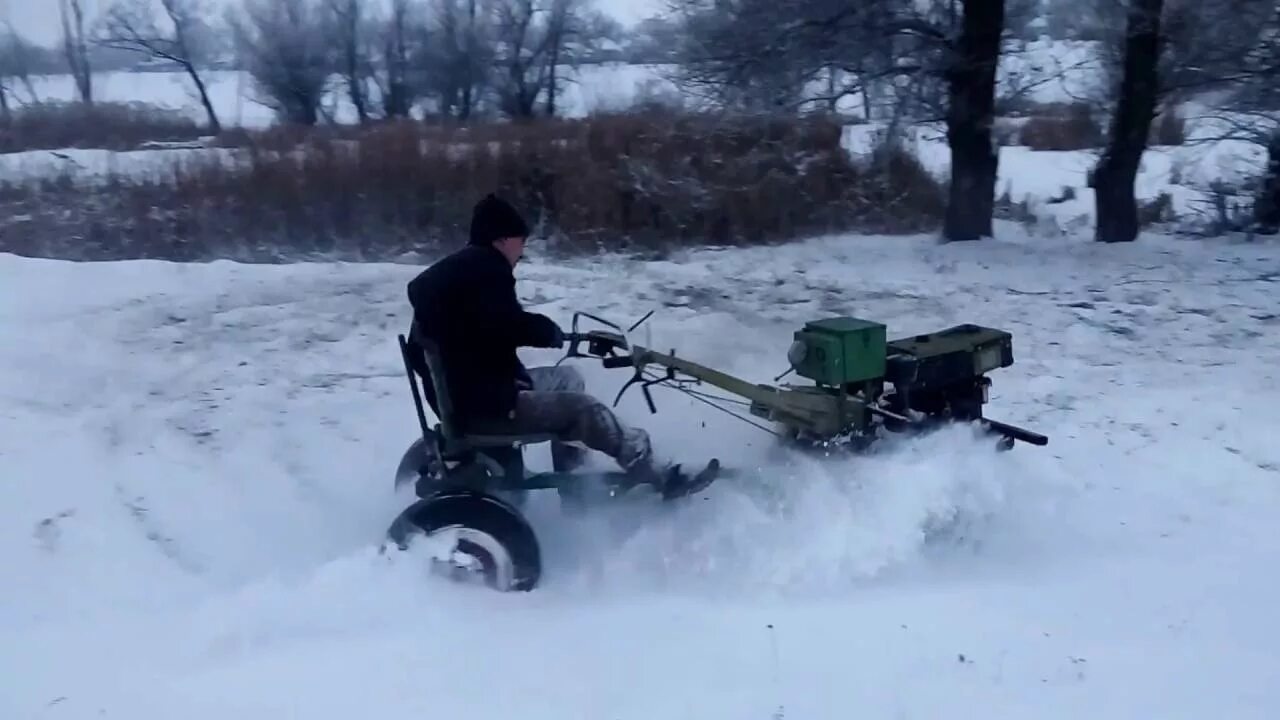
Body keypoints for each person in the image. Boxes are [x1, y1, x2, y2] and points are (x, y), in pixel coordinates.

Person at [404, 193, 715, 499]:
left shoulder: (455, 276)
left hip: (471, 398)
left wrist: (497, 374)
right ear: (501, 240)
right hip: (489, 408)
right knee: (585, 409)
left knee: (568, 378)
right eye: (519, 241)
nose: (521, 252)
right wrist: (545, 333)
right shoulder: (488, 269)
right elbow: (507, 324)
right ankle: (654, 471)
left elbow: (481, 333)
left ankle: (575, 480)